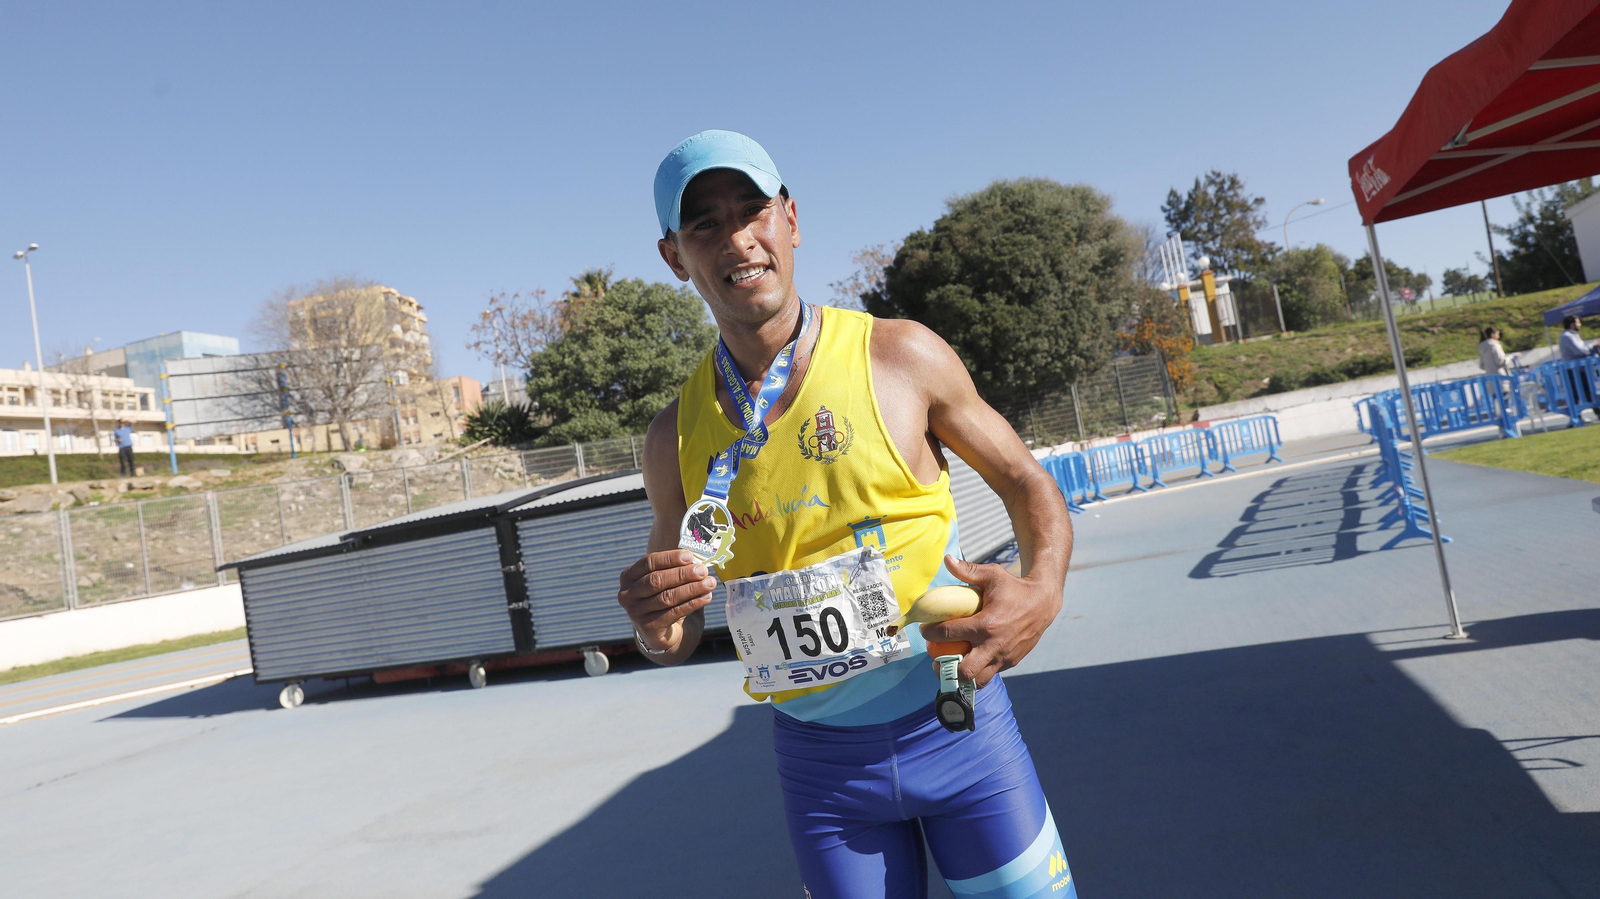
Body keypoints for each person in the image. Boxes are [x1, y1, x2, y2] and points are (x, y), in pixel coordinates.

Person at [617, 131, 1078, 899]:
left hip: (959, 729)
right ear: (674, 256)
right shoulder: (673, 436)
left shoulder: (901, 355)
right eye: (705, 224)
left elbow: (1026, 481)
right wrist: (649, 615)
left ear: (790, 219)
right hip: (824, 774)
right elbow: (672, 631)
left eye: (752, 210)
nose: (738, 239)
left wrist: (1046, 587)